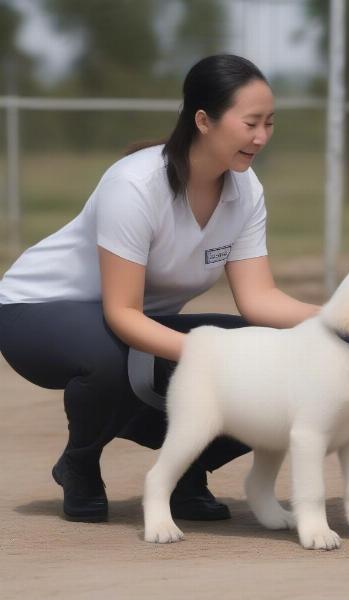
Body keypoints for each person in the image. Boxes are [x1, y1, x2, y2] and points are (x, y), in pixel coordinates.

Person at [0, 54, 319, 523]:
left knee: (279, 355)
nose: (262, 137)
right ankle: (80, 464)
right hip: (34, 311)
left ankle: (186, 469)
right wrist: (211, 355)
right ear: (204, 120)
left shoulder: (246, 189)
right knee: (115, 358)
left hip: (126, 319)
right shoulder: (134, 185)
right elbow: (123, 315)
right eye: (251, 122)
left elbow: (260, 301)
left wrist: (345, 323)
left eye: (270, 123)